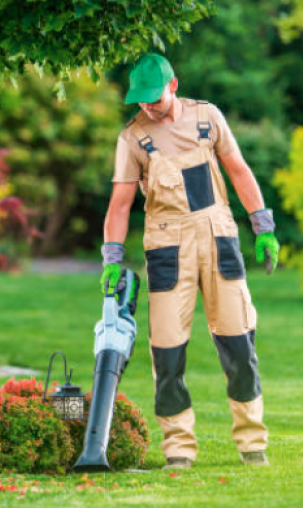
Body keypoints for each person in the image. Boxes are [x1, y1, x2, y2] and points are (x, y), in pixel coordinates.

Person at [100, 53, 280, 470]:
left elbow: (237, 169)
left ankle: (252, 442)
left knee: (238, 342)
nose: (147, 105)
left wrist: (263, 225)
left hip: (218, 237)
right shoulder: (132, 139)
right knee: (167, 352)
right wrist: (112, 256)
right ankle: (178, 448)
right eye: (140, 100)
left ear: (173, 86)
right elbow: (121, 204)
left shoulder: (207, 117)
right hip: (166, 245)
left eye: (154, 97)